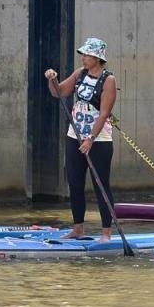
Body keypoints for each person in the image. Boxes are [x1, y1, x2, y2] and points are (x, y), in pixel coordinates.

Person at [45, 37, 117, 240]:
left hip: (98, 140)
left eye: (87, 55)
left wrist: (90, 139)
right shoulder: (80, 74)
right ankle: (78, 228)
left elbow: (104, 114)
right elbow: (58, 93)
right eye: (83, 55)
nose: (83, 58)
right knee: (75, 182)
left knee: (100, 184)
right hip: (74, 135)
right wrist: (52, 79)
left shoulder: (108, 80)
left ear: (97, 57)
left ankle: (106, 232)